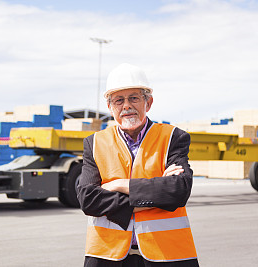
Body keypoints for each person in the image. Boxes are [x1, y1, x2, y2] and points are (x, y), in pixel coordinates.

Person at [77, 63, 199, 267]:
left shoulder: (172, 137)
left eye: (133, 98)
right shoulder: (95, 142)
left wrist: (118, 185)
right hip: (108, 257)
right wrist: (155, 197)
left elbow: (178, 191)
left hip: (167, 255)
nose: (126, 106)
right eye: (118, 100)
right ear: (110, 107)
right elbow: (88, 200)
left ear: (148, 103)